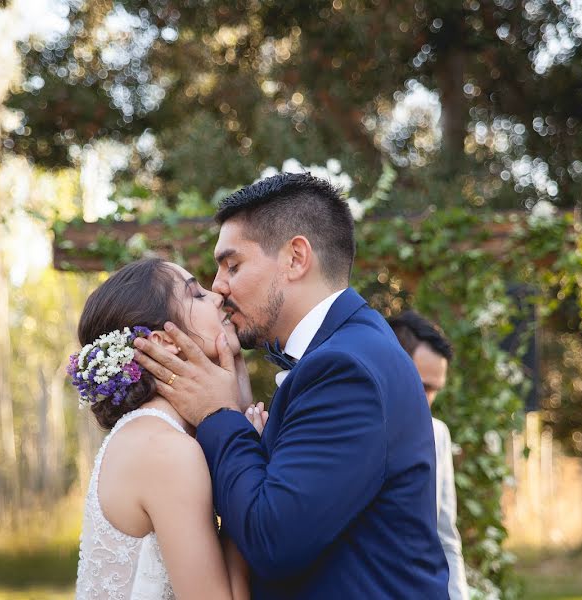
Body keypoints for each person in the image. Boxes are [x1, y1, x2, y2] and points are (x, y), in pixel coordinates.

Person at [133, 172, 449, 599]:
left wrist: (218, 415)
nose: (217, 287)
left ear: (295, 258)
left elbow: (273, 540)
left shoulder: (344, 368)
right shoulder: (349, 348)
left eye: (232, 265)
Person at [71, 258, 266, 600]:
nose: (218, 295)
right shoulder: (164, 450)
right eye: (197, 294)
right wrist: (249, 461)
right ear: (163, 341)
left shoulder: (154, 436)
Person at [388, 310, 470, 600]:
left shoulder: (438, 435)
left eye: (434, 390)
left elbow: (446, 537)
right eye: (421, 386)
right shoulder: (348, 431)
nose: (428, 401)